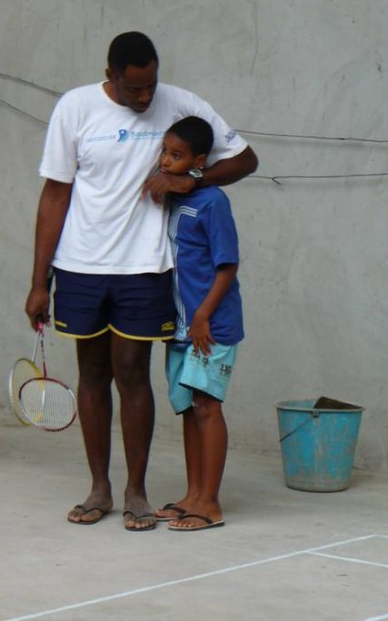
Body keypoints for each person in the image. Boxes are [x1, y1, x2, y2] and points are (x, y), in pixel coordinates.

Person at [25, 31, 257, 531]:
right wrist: (39, 280)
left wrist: (192, 180)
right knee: (92, 372)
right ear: (110, 76)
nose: (146, 98)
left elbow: (245, 159)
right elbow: (55, 194)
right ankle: (99, 488)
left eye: (151, 86)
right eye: (134, 90)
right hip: (81, 266)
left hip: (146, 270)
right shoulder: (75, 107)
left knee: (132, 373)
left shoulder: (180, 104)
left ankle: (136, 491)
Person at [155, 116, 243, 531]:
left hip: (211, 326)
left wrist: (204, 314)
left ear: (199, 160)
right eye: (164, 152)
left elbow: (227, 266)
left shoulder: (213, 202)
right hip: (180, 326)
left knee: (208, 406)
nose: (166, 161)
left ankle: (210, 503)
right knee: (189, 408)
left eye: (176, 155)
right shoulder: (173, 199)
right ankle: (192, 494)